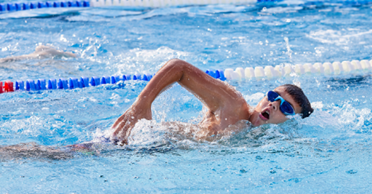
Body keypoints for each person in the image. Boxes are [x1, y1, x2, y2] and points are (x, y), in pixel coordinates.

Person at [110, 58, 314, 144]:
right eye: (272, 97)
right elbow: (178, 67)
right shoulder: (233, 104)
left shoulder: (269, 140)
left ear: (290, 120)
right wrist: (142, 104)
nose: (273, 105)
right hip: (145, 141)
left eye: (285, 107)